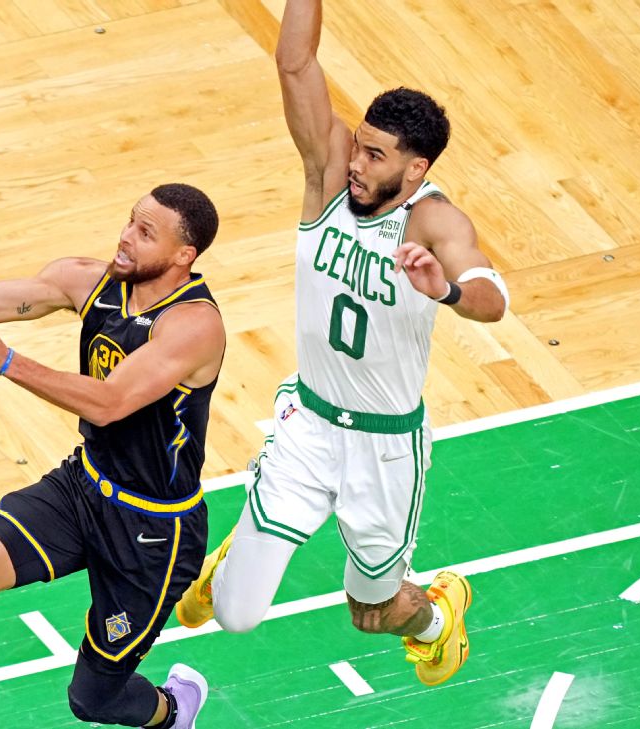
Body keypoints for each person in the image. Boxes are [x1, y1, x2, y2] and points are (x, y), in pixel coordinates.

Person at [174, 0, 508, 688]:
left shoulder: (434, 221)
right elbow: (294, 61)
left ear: (414, 170)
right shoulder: (328, 178)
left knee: (373, 612)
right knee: (234, 614)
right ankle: (250, 542)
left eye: (376, 155)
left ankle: (439, 614)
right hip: (311, 423)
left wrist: (443, 290)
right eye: (359, 142)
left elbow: (493, 300)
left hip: (385, 447)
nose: (356, 161)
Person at [0, 183, 226, 729]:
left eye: (146, 232)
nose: (126, 237)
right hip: (82, 489)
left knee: (94, 701)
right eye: (130, 221)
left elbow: (109, 403)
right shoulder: (87, 279)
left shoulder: (194, 326)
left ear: (184, 255)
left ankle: (174, 711)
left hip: (155, 531)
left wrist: (7, 361)